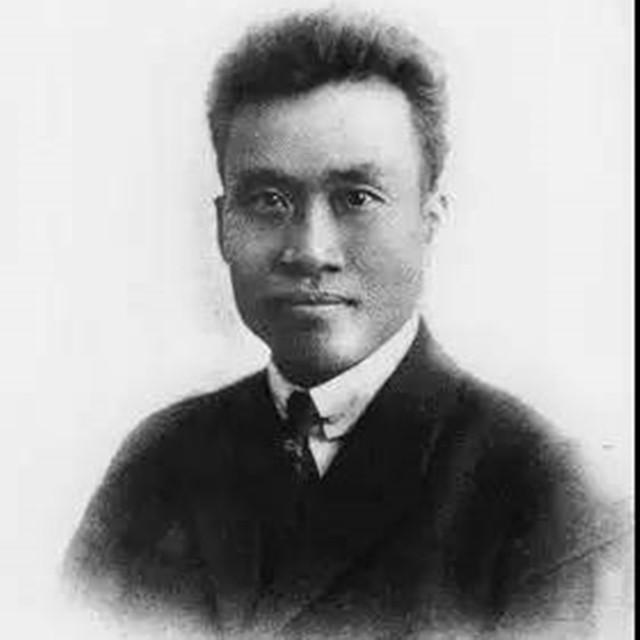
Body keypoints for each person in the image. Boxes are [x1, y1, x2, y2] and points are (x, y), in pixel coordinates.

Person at [64, 10, 626, 638]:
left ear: (429, 221)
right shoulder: (157, 464)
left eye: (356, 198)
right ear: (223, 225)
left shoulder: (547, 496)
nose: (311, 250)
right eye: (268, 201)